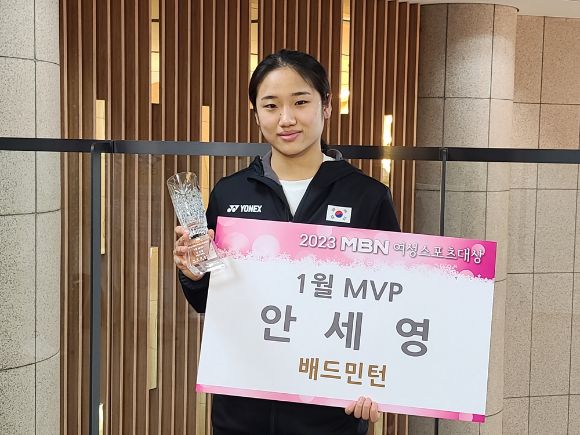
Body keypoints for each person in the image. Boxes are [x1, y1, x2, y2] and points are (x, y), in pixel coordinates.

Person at [174, 49, 400, 435]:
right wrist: (193, 273)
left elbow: (390, 302)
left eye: (300, 102)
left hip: (330, 416)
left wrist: (378, 383)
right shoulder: (230, 193)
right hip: (241, 412)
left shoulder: (367, 196)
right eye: (271, 106)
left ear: (326, 106)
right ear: (256, 114)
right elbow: (211, 301)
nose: (286, 119)